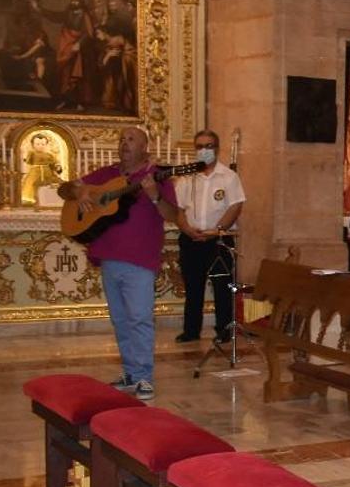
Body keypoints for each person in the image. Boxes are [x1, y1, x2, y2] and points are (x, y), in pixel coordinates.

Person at [58, 127, 179, 400]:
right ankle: (130, 374)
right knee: (121, 320)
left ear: (145, 147)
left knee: (139, 318)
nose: (124, 144)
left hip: (139, 258)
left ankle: (144, 378)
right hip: (109, 257)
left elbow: (173, 215)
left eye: (131, 139)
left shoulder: (156, 176)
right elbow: (64, 188)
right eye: (121, 139)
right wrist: (80, 192)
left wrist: (154, 195)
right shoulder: (107, 174)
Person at [173, 129, 245, 343]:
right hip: (191, 239)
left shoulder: (229, 177)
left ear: (216, 148)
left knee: (222, 287)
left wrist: (218, 230)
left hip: (218, 240)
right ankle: (191, 330)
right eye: (200, 146)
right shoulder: (187, 177)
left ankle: (224, 330)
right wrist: (187, 229)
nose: (204, 150)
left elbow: (235, 205)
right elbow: (178, 209)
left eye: (209, 146)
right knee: (193, 286)